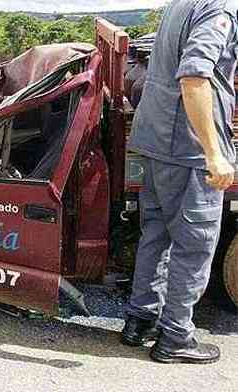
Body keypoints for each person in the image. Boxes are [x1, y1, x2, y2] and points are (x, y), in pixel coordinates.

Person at [123, 0, 238, 364]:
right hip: (186, 149)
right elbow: (194, 77)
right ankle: (176, 337)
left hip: (154, 139)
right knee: (195, 245)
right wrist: (214, 152)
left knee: (155, 235)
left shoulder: (182, 3)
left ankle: (140, 321)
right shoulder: (219, 9)